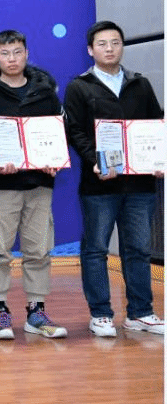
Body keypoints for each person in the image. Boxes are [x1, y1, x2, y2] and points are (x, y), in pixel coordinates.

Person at [64, 20, 165, 337]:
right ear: (90, 50)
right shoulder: (79, 86)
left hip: (140, 184)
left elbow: (155, 124)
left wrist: (158, 159)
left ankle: (141, 313)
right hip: (99, 184)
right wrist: (94, 160)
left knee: (139, 249)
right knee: (95, 249)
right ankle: (101, 315)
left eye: (115, 43)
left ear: (122, 46)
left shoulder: (140, 84)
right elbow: (75, 131)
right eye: (102, 44)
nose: (109, 49)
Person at [0, 30, 67, 340]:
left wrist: (54, 158)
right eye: (5, 53)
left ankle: (36, 312)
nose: (12, 59)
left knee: (39, 250)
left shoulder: (46, 93)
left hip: (40, 184)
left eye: (17, 52)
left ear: (27, 54)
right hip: (0, 185)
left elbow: (59, 132)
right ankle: (0, 311)